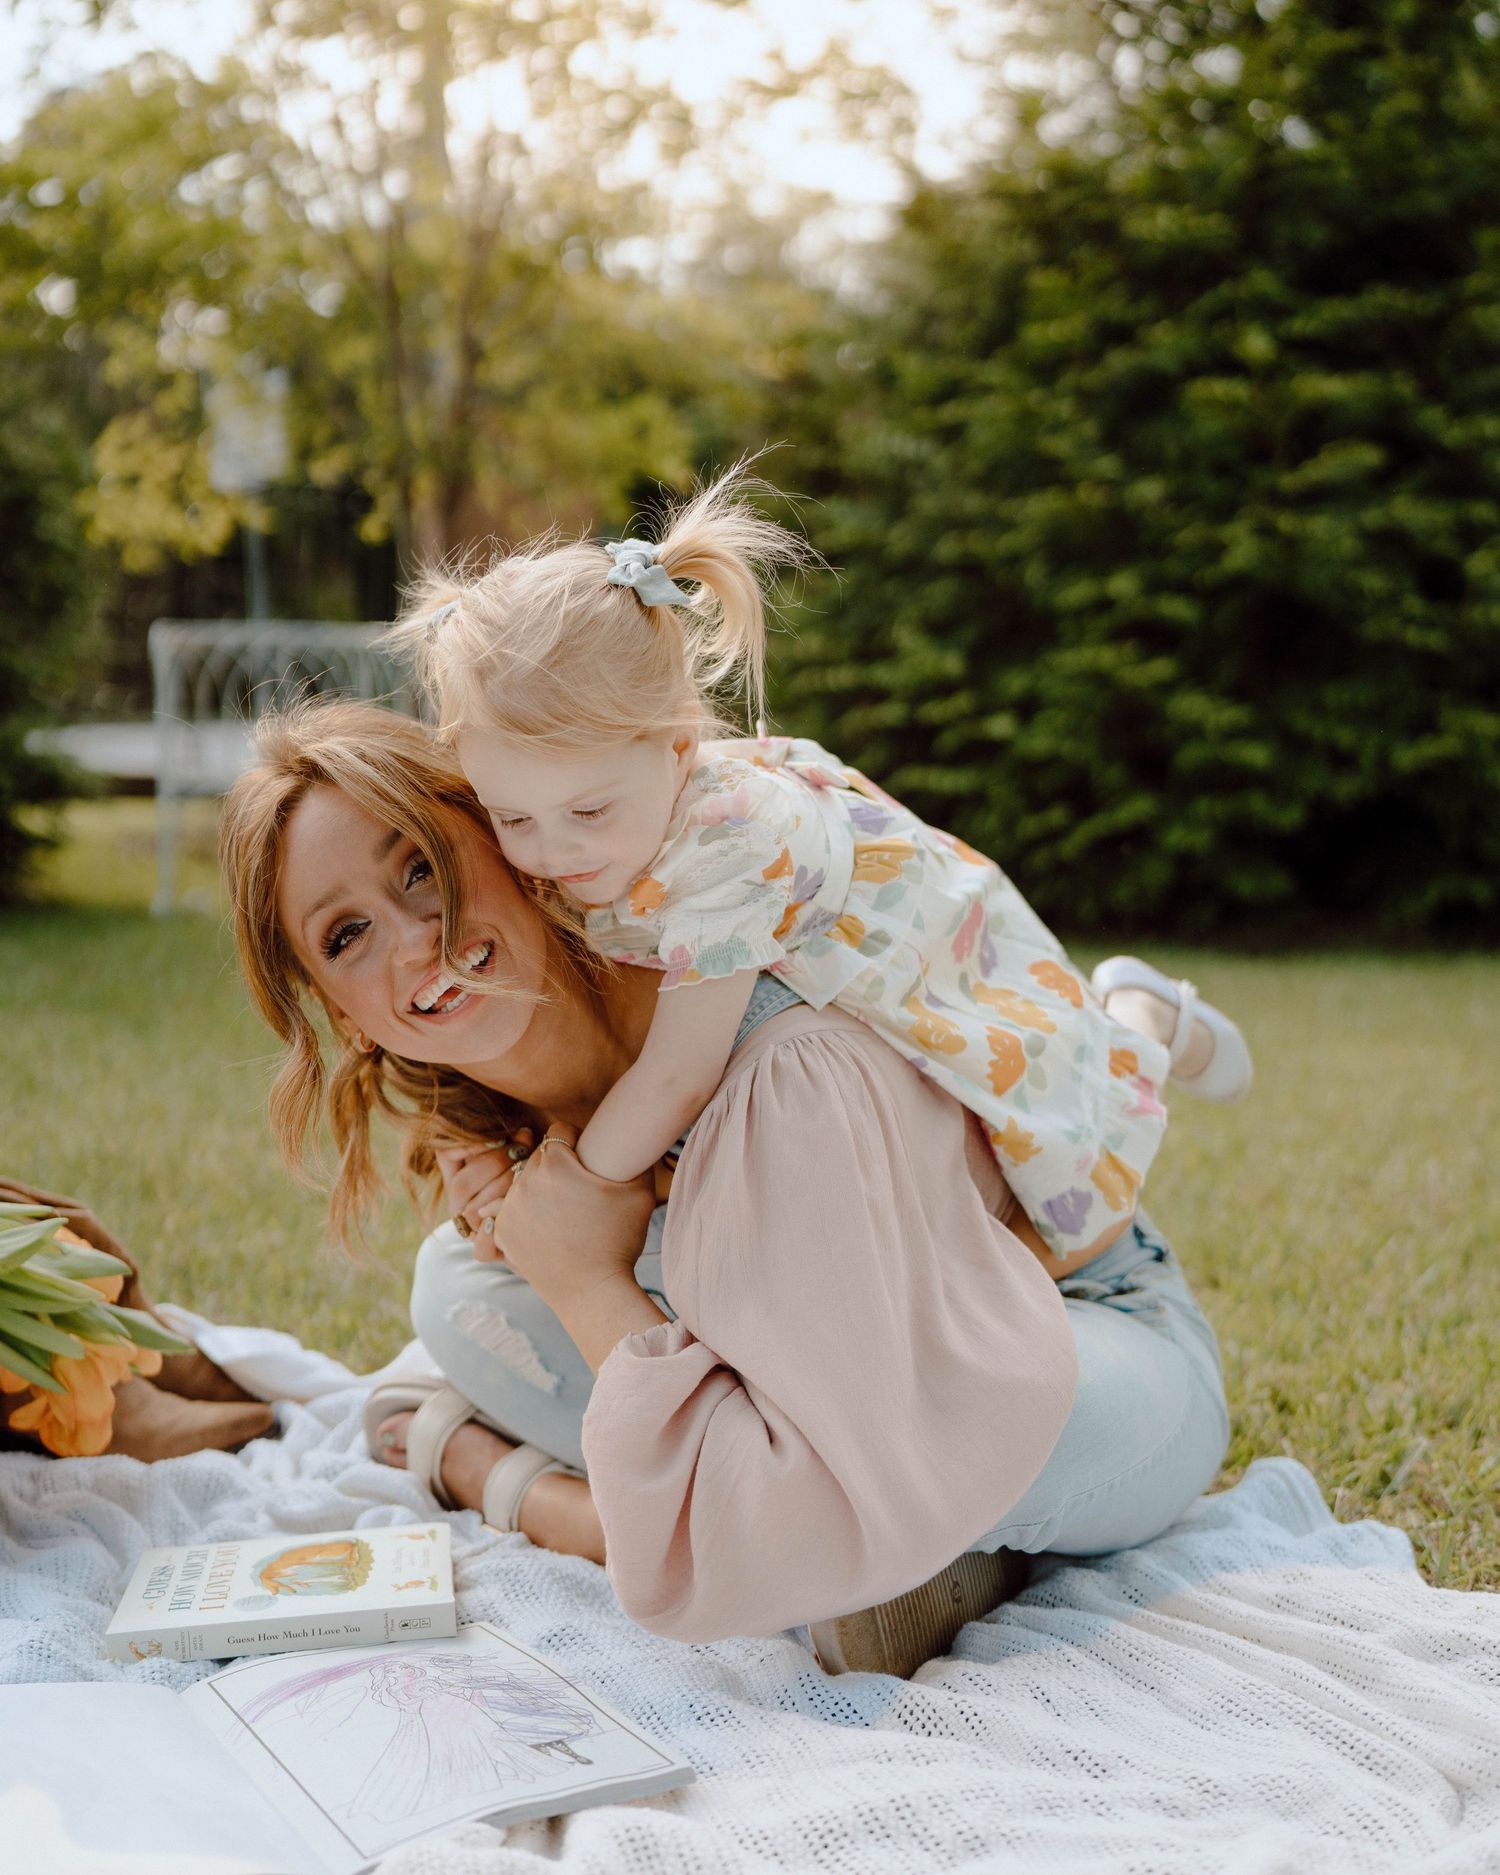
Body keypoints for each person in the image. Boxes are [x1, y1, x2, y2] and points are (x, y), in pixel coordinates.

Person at [219, 701, 1233, 1677]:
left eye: (421, 868)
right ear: (341, 1016)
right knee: (456, 1291)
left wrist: (504, 1447)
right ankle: (876, 1546)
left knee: (894, 1465)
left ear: (504, 840)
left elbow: (865, 1432)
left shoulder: (770, 1053)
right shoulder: (511, 1151)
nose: (408, 939)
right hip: (841, 1398)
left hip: (1067, 1327)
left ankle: (841, 1535)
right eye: (344, 937)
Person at [381, 469, 1250, 1267]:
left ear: (680, 748)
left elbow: (679, 1076)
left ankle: (1142, 1016)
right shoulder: (603, 810)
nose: (549, 851)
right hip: (856, 944)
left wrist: (577, 1181)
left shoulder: (728, 853)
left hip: (926, 955)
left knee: (1073, 1190)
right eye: (513, 818)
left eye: (588, 812)